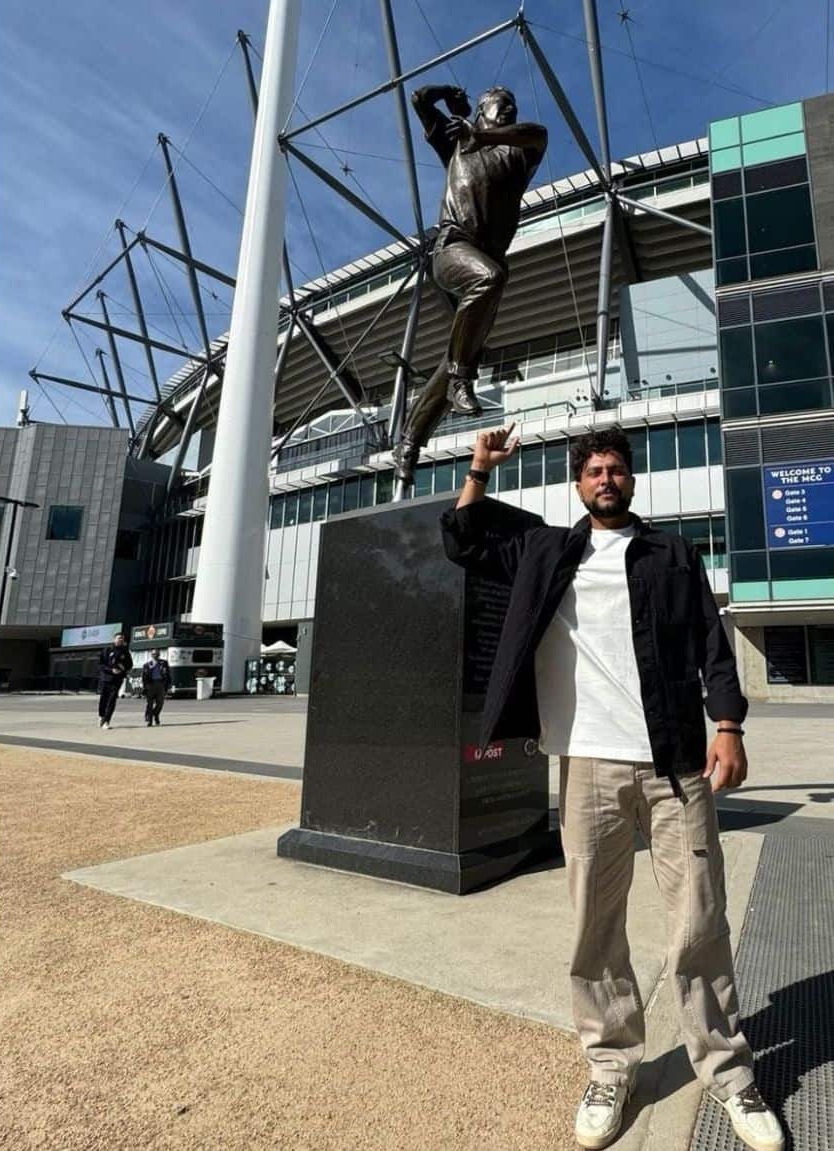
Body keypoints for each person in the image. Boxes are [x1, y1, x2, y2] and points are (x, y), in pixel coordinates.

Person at [442, 424, 783, 1151]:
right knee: (593, 927)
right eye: (594, 469)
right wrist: (479, 465)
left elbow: (711, 646)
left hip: (674, 763)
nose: (605, 478)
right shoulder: (545, 549)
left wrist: (729, 723)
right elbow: (464, 539)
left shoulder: (671, 554)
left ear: (632, 479)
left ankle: (727, 1069)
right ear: (578, 483)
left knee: (698, 920)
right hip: (587, 764)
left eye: (616, 468)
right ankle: (611, 1065)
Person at [393, 85, 546, 489]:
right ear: (480, 110)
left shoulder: (519, 152)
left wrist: (484, 134)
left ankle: (408, 442)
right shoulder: (457, 143)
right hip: (453, 249)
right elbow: (420, 100)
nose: (510, 110)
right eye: (502, 104)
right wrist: (452, 95)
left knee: (454, 354)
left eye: (514, 104)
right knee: (486, 284)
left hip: (492, 261)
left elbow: (537, 133)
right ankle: (463, 377)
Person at [97, 631, 131, 729]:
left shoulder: (125, 652)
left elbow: (129, 665)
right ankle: (101, 716)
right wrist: (111, 670)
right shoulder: (107, 650)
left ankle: (107, 721)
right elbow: (100, 665)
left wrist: (122, 668)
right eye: (119, 638)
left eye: (122, 638)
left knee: (112, 700)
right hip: (106, 678)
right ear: (114, 639)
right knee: (103, 699)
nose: (120, 639)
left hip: (117, 679)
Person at [141, 649, 171, 726]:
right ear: (151, 655)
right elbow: (144, 677)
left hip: (160, 684)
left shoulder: (164, 663)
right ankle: (150, 721)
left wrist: (168, 685)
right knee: (150, 703)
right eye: (154, 654)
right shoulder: (147, 665)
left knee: (160, 703)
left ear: (159, 655)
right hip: (150, 685)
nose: (156, 656)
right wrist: (145, 687)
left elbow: (168, 674)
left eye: (157, 654)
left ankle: (155, 714)